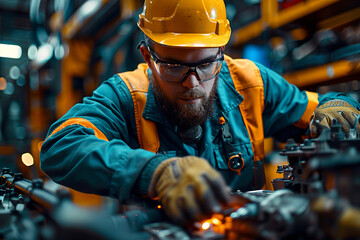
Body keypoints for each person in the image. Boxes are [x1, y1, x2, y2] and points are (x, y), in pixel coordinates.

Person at [40, 0, 360, 224]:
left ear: (221, 54)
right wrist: (154, 172)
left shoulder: (251, 82)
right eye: (174, 64)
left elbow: (322, 107)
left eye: (205, 63)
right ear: (147, 56)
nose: (192, 82)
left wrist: (337, 106)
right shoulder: (125, 95)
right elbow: (61, 145)